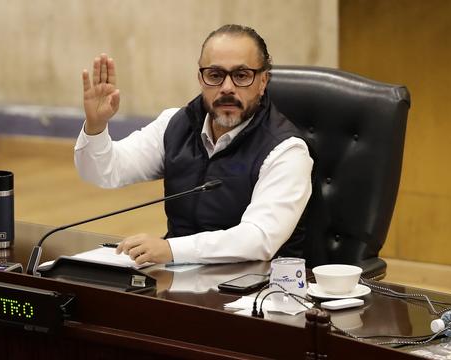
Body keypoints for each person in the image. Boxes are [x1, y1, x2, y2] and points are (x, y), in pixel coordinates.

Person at [75, 24, 313, 266]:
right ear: (201, 79)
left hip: (255, 291)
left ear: (263, 81)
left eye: (241, 76)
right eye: (215, 75)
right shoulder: (175, 124)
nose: (227, 88)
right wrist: (96, 126)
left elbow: (259, 238)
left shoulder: (287, 150)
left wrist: (172, 249)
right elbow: (105, 172)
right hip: (179, 278)